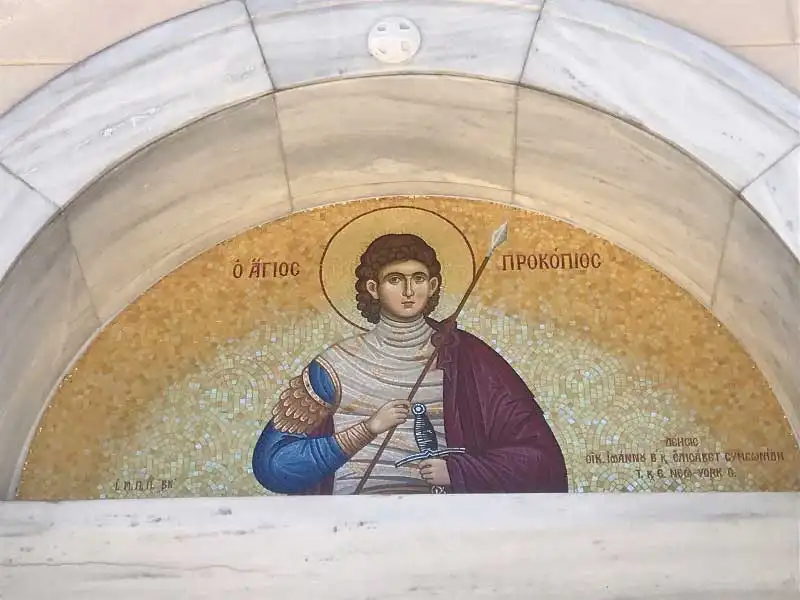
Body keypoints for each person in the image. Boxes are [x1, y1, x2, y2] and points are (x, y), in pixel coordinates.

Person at [252, 233, 568, 495]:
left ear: (432, 285)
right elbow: (274, 467)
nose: (408, 291)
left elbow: (542, 462)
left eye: (418, 279)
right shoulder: (334, 366)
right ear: (373, 288)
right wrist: (367, 429)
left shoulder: (468, 359)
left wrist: (459, 471)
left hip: (447, 520)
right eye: (394, 279)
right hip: (352, 520)